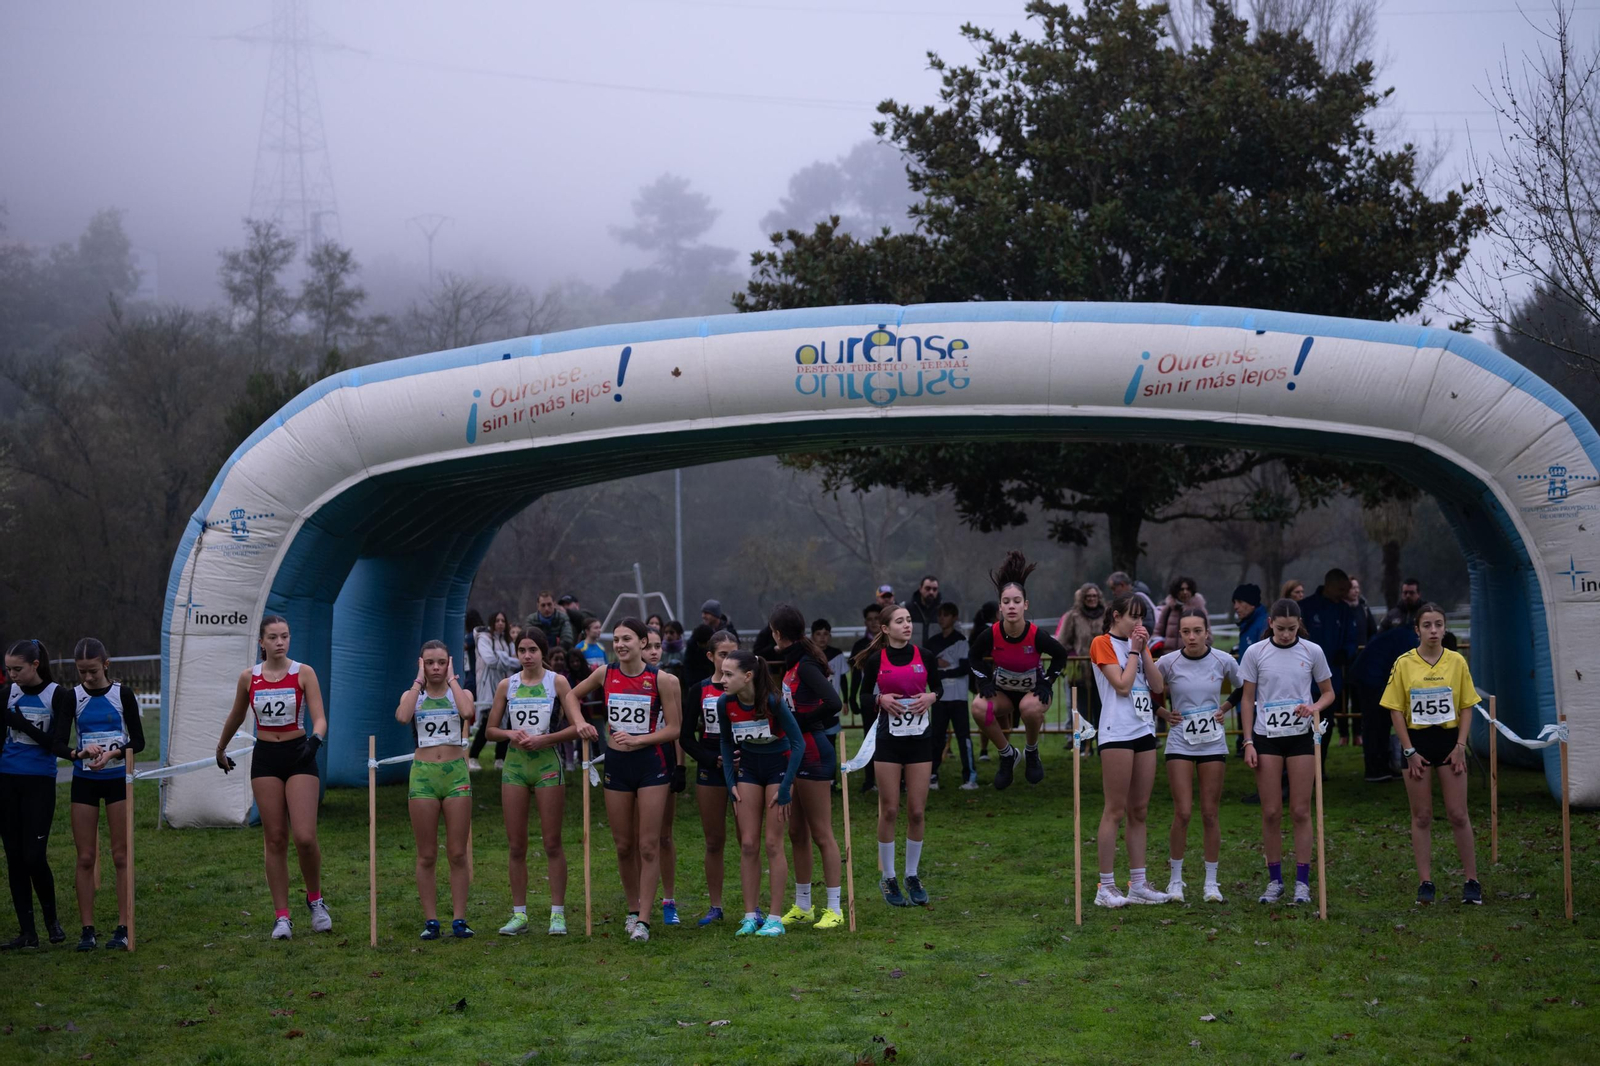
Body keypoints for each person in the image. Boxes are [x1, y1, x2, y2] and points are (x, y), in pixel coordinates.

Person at [561, 618, 681, 943]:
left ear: (643, 642)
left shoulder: (662, 679)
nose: (620, 644)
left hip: (650, 764)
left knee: (648, 844)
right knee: (623, 845)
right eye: (616, 639)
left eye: (627, 638)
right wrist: (580, 723)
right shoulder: (605, 674)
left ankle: (644, 920)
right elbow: (570, 696)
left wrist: (641, 740)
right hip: (616, 762)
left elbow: (674, 729)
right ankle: (632, 909)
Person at [214, 616, 331, 941]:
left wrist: (315, 741)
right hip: (266, 758)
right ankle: (282, 916)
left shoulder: (303, 673)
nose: (280, 642)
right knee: (275, 838)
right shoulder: (248, 677)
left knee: (305, 837)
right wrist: (221, 748)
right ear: (261, 643)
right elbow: (237, 715)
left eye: (285, 636)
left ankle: (316, 899)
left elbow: (320, 717)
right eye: (274, 637)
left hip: (299, 754)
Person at [485, 628, 589, 936]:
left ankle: (557, 913)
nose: (527, 655)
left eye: (533, 650)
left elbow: (576, 725)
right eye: (522, 650)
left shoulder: (557, 682)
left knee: (552, 842)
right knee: (516, 845)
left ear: (543, 652)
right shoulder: (508, 685)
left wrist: (546, 740)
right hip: (515, 767)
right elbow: (490, 730)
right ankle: (519, 914)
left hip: (547, 765)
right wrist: (509, 734)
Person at [1383, 602, 1484, 905]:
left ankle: (1472, 880)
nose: (1434, 630)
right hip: (1416, 743)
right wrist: (1409, 749)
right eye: (1427, 625)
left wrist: (1461, 746)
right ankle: (1425, 881)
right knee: (1422, 815)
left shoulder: (1456, 662)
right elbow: (1396, 710)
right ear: (1417, 629)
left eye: (1439, 624)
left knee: (1458, 813)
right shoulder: (1404, 663)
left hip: (1450, 741)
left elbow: (1467, 705)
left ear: (1444, 627)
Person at [1239, 598, 1334, 907]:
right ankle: (1274, 880)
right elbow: (1247, 697)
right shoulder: (1256, 652)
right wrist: (1248, 741)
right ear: (1270, 624)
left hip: (1300, 738)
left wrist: (1314, 707)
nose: (1285, 634)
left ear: (1299, 626)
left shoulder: (1312, 651)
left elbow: (1329, 692)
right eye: (1280, 629)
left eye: (1292, 629)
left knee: (1300, 810)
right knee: (1270, 812)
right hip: (1267, 737)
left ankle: (1303, 883)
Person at [852, 605, 940, 907]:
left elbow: (937, 688)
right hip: (888, 741)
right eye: (900, 621)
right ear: (885, 629)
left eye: (909, 620)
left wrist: (931, 696)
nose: (907, 625)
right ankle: (888, 877)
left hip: (920, 742)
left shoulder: (924, 656)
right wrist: (879, 699)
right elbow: (860, 698)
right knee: (889, 810)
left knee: (916, 811)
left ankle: (911, 875)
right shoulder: (877, 660)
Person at [1088, 595, 1170, 907]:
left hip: (1144, 730)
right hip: (1116, 731)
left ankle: (1138, 883)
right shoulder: (1102, 642)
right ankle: (1105, 886)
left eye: (1142, 618)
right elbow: (1121, 685)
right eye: (1133, 618)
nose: (1139, 624)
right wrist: (1134, 650)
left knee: (1140, 810)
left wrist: (1143, 650)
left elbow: (1158, 686)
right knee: (1115, 809)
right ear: (1116, 616)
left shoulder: (1139, 646)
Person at [717, 651, 805, 937]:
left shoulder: (772, 701)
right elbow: (726, 742)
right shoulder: (724, 703)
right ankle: (750, 915)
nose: (722, 680)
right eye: (721, 673)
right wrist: (730, 781)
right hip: (749, 772)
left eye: (729, 674)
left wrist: (786, 787)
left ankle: (775, 918)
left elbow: (798, 743)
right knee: (748, 844)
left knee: (772, 843)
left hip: (778, 770)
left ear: (748, 676)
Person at [769, 604, 846, 931]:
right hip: (794, 753)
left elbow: (833, 703)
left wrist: (798, 721)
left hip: (815, 752)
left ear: (777, 633)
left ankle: (834, 907)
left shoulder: (806, 665)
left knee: (821, 832)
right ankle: (803, 904)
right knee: (796, 831)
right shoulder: (791, 664)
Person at [395, 640, 477, 939]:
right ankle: (431, 920)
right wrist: (418, 682)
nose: (436, 668)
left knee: (457, 853)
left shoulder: (460, 694)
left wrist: (454, 679)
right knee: (426, 854)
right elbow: (402, 717)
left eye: (441, 662)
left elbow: (468, 712)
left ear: (449, 663)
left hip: (455, 774)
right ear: (421, 664)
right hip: (424, 776)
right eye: (429, 662)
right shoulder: (413, 695)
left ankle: (459, 919)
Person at [68, 638, 145, 951]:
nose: (87, 678)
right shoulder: (71, 697)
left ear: (106, 664)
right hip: (84, 781)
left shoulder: (121, 694)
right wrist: (80, 752)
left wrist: (113, 755)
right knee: (85, 857)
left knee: (120, 855)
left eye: (93, 671)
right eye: (82, 672)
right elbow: (60, 742)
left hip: (116, 781)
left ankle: (123, 925)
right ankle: (87, 929)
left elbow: (138, 741)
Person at [968, 551, 1068, 790]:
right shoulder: (991, 633)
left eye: (1016, 601)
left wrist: (1047, 682)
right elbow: (973, 656)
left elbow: (1060, 655)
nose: (1011, 606)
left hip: (1033, 693)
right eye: (1006, 602)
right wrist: (984, 681)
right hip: (1003, 692)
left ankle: (1031, 751)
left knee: (1028, 708)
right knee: (979, 708)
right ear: (1000, 607)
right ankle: (1007, 754)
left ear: (1025, 605)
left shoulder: (1036, 635)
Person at [1156, 609, 1236, 904]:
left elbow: (1243, 687)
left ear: (1206, 632)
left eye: (1197, 631)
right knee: (1183, 812)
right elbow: (1147, 687)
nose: (1191, 637)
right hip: (1180, 741)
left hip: (1212, 743)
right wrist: (1164, 712)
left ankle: (1211, 883)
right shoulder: (1168, 662)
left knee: (1210, 813)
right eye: (1186, 631)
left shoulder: (1223, 660)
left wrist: (1224, 709)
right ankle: (1175, 881)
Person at [2, 639, 74, 948]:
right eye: (7, 669)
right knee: (15, 858)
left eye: (17, 669)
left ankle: (52, 922)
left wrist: (23, 725)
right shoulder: (6, 694)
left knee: (34, 856)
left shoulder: (58, 695)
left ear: (35, 665)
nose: (12, 675)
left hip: (39, 783)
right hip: (7, 782)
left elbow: (57, 744)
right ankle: (27, 933)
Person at [678, 629, 741, 926]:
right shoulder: (700, 690)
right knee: (714, 841)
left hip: (745, 769)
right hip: (711, 767)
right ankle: (715, 906)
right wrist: (710, 759)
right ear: (711, 657)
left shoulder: (747, 687)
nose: (729, 660)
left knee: (749, 840)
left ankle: (752, 907)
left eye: (734, 654)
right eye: (723, 655)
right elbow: (685, 737)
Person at [640, 627, 684, 926]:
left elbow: (676, 727)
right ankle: (639, 902)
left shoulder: (670, 681)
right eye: (650, 646)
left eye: (659, 646)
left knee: (663, 835)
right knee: (638, 838)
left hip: (664, 758)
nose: (655, 651)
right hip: (632, 760)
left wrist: (680, 765)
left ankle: (668, 900)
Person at [1349, 623, 1419, 782]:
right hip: (1372, 678)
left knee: (1378, 724)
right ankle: (1376, 769)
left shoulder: (1402, 634)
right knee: (1376, 724)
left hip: (1369, 674)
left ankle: (1381, 766)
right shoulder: (1411, 641)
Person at [1300, 569, 1361, 748]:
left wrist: (1346, 652)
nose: (1345, 594)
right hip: (1304, 678)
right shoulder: (1306, 607)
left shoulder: (1344, 610)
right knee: (1304, 724)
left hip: (1331, 678)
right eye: (1342, 589)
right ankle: (1301, 768)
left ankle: (1320, 767)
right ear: (1330, 585)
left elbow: (1352, 638)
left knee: (1325, 724)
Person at [926, 602, 976, 790]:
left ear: (954, 617)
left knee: (964, 738)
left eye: (946, 615)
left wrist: (945, 670)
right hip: (940, 698)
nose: (942, 619)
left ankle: (970, 776)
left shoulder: (961, 641)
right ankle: (932, 775)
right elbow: (929, 668)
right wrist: (943, 670)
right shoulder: (933, 642)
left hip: (959, 698)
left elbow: (965, 668)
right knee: (936, 738)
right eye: (940, 615)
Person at [469, 610, 518, 772]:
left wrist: (501, 657)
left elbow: (517, 662)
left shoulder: (507, 640)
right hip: (488, 684)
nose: (500, 623)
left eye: (503, 620)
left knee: (506, 719)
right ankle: (472, 756)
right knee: (489, 720)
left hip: (506, 683)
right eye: (497, 620)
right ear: (491, 622)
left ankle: (500, 758)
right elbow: (489, 660)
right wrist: (506, 659)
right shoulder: (484, 638)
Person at [1055, 583, 1105, 742]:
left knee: (1102, 708)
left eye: (1094, 596)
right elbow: (1062, 641)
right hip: (1080, 669)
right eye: (1088, 596)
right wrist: (1073, 654)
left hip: (1104, 669)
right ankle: (1083, 745)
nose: (1092, 599)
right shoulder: (1073, 616)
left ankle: (1103, 744)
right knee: (1082, 710)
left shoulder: (1107, 614)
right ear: (1082, 598)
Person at [844, 603, 884, 791]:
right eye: (870, 619)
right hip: (869, 698)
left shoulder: (889, 643)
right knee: (869, 739)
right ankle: (870, 780)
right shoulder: (859, 646)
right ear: (865, 622)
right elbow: (856, 674)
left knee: (892, 738)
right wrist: (852, 697)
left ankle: (897, 780)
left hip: (889, 698)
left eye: (877, 618)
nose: (874, 622)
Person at [1155, 577, 1207, 648]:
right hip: (1169, 655)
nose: (1185, 592)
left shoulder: (1199, 609)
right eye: (1181, 589)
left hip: (1192, 655)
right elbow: (1157, 632)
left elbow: (1208, 635)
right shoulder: (1168, 609)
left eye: (1188, 589)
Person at [1230, 585, 1267, 662]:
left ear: (1252, 604)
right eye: (1234, 602)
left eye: (1240, 602)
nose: (1235, 607)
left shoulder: (1264, 625)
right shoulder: (1247, 624)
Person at [908, 574, 943, 645]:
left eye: (934, 589)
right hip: (913, 654)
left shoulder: (943, 612)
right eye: (927, 588)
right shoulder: (907, 610)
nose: (931, 592)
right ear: (920, 589)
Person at [1347, 577, 1377, 642]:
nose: (1356, 591)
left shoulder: (1364, 608)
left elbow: (1373, 631)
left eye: (1357, 588)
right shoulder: (1341, 610)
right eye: (1353, 588)